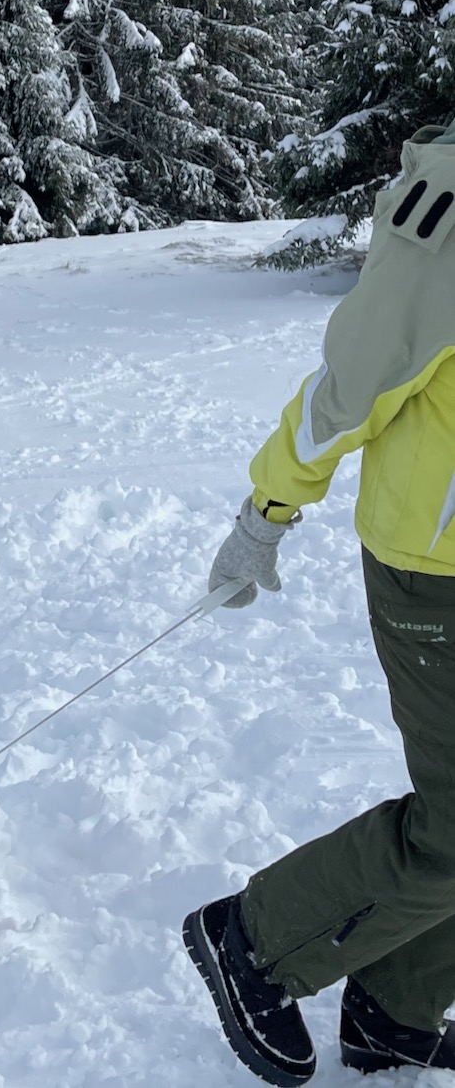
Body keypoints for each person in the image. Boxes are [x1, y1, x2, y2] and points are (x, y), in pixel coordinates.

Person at [183, 121, 455, 1082]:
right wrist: (268, 511)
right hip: (438, 575)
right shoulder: (450, 217)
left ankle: (397, 1007)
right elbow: (349, 389)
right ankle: (255, 941)